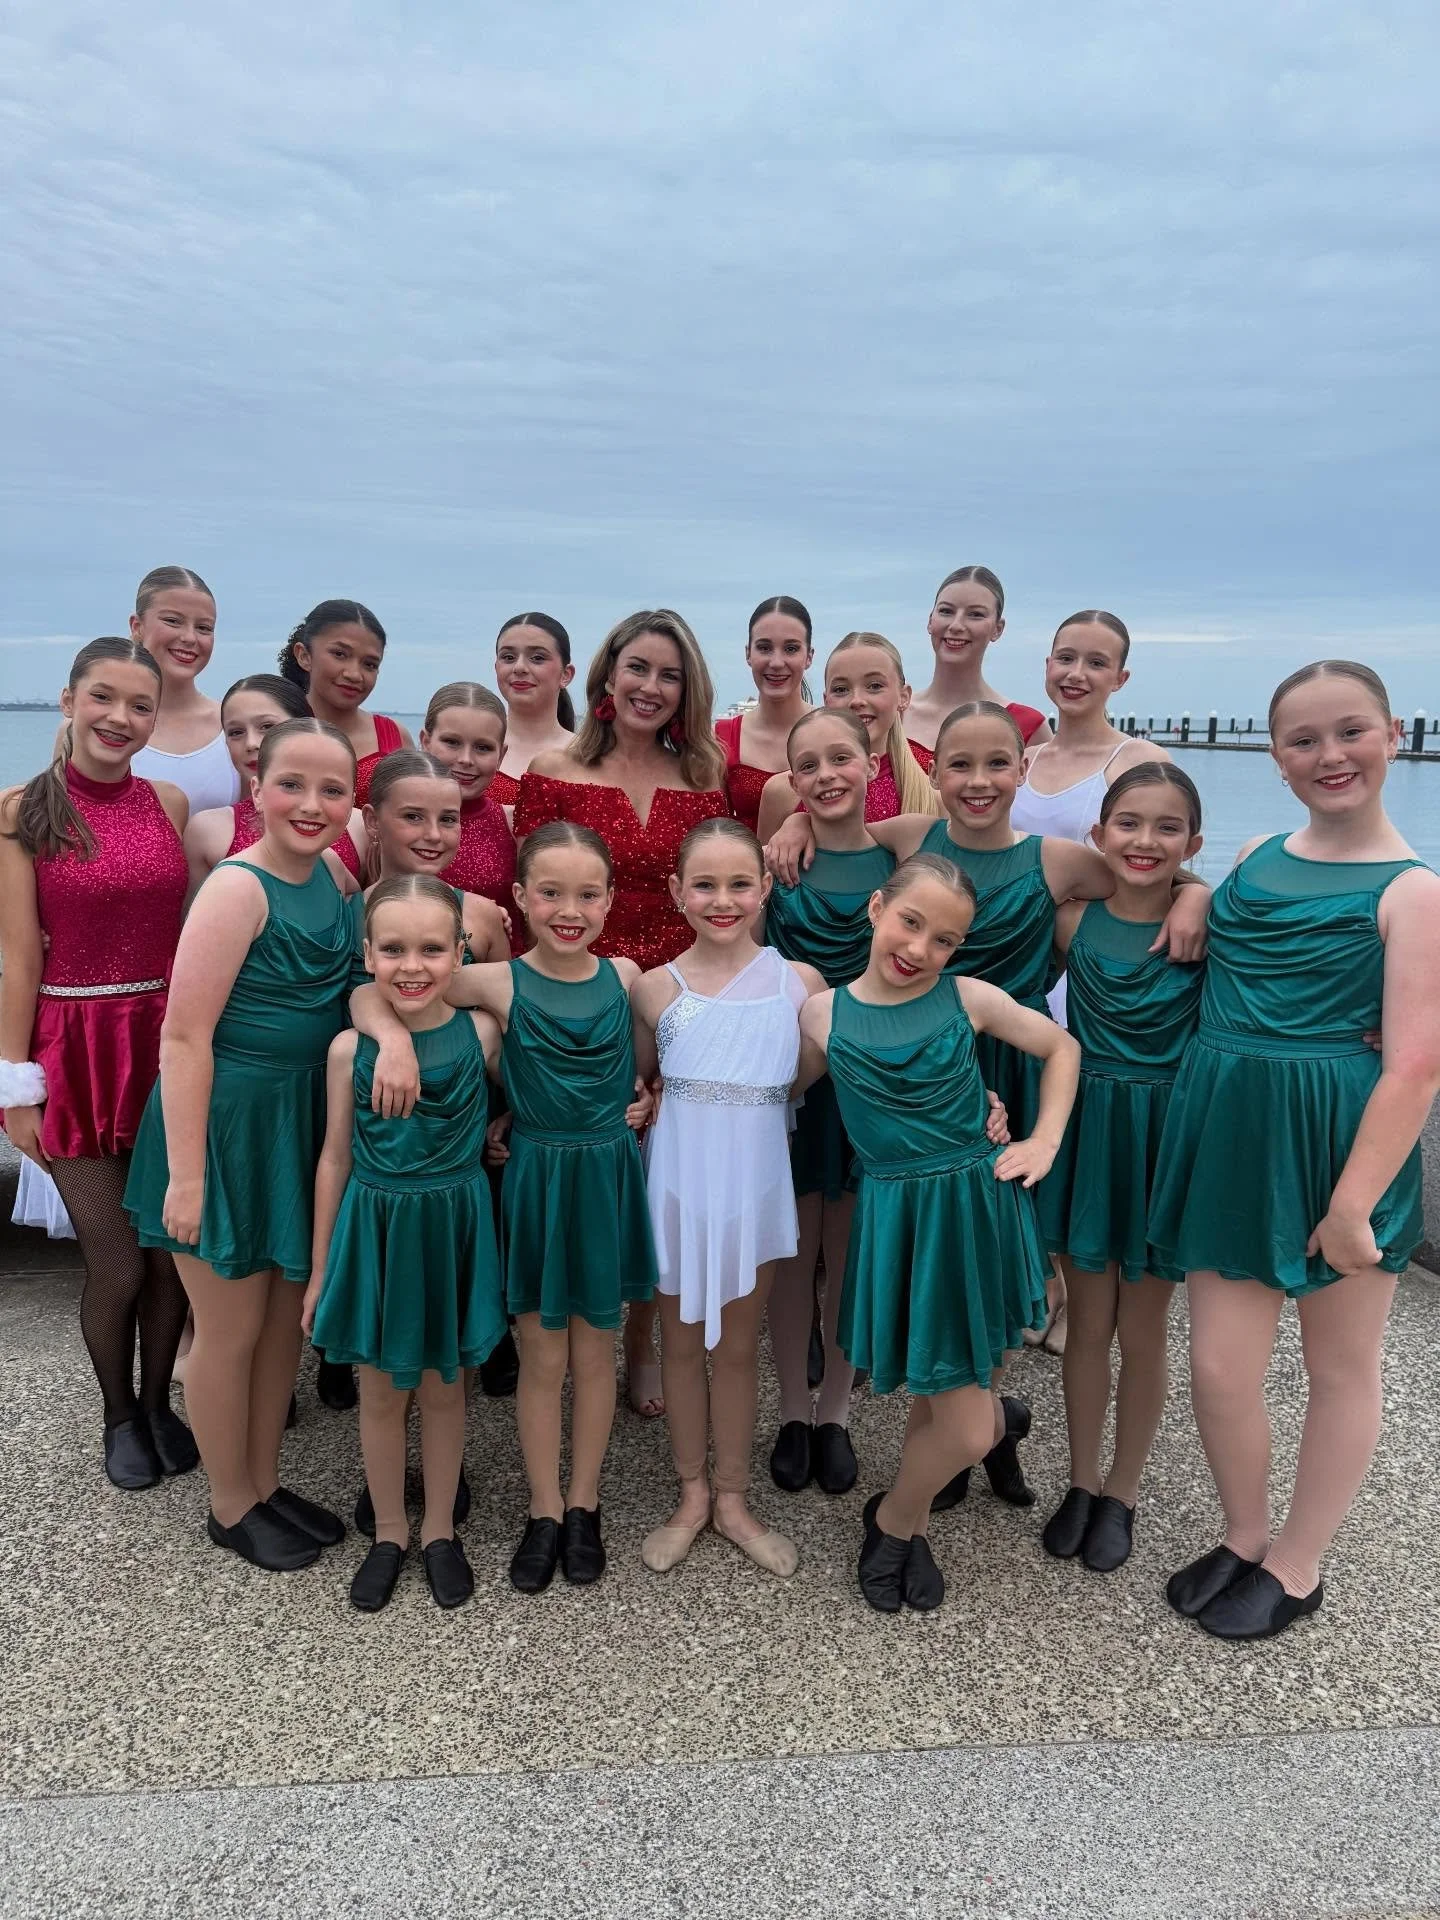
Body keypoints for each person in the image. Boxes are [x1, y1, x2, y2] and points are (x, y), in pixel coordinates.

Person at [1150, 661, 1440, 1641]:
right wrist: (1193, 892)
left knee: (1341, 1366)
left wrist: (1353, 1203)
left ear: (1394, 735)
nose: (1331, 756)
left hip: (1340, 1148)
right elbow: (1221, 932)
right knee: (1222, 1370)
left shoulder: (1414, 892)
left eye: (1351, 732)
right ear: (1274, 759)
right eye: (1304, 740)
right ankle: (1242, 1533)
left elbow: (1414, 1067)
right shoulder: (1260, 850)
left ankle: (1300, 1560)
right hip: (1234, 1134)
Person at [362, 823, 657, 1591]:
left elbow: (667, 1052)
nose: (569, 909)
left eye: (587, 894)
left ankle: (586, 1503)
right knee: (543, 1357)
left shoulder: (627, 975)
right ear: (520, 898)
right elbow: (383, 987)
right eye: (550, 893)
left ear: (610, 900)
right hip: (535, 1177)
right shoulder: (496, 982)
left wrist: (647, 1097)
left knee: (598, 1354)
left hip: (606, 1177)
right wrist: (390, 1039)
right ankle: (544, 1506)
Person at [795, 855, 1079, 1612]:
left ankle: (892, 1520)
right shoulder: (820, 1013)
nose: (920, 949)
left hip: (975, 1202)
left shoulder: (970, 998)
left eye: (944, 939)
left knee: (956, 1413)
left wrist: (1042, 1141)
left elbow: (1061, 1048)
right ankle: (994, 1432)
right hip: (898, 1210)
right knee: (948, 1393)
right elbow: (782, 1091)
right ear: (877, 907)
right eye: (910, 922)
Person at [124, 718, 358, 1573]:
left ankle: (262, 1481)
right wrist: (186, 1176)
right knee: (226, 1331)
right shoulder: (236, 888)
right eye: (292, 783)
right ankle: (229, 1505)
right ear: (255, 785)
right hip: (225, 1129)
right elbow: (184, 1040)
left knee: (280, 1331)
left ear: (351, 802)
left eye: (332, 789)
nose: (311, 803)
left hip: (300, 1125)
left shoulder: (335, 874)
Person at [514, 609, 728, 1417]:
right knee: (576, 1166)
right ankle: (551, 1343)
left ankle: (637, 1345)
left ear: (687, 690)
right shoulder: (552, 767)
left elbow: (732, 884)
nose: (650, 686)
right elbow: (527, 898)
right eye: (636, 668)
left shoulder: (705, 778)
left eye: (669, 674)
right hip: (580, 998)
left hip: (678, 995)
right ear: (606, 675)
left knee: (659, 1177)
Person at [0, 637, 194, 1488]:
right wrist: (16, 1086)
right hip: (72, 1048)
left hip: (162, 1045)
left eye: (140, 705)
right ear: (69, 698)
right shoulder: (20, 812)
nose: (121, 718)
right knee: (114, 1258)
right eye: (104, 698)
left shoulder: (171, 803)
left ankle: (161, 1405)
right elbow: (16, 960)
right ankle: (118, 1415)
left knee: (168, 1257)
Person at [304, 876, 508, 1613]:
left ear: (461, 952)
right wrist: (324, 1268)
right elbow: (334, 1157)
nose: (412, 966)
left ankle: (442, 1530)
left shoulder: (483, 1032)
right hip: (378, 1225)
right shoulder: (345, 1049)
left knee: (446, 1388)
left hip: (452, 1223)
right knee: (382, 1393)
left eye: (432, 948)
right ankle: (389, 1531)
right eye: (392, 949)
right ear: (367, 954)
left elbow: (533, 1082)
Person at [631, 819, 825, 1578]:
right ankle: (690, 1494)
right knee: (680, 1343)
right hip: (679, 1182)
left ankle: (736, 1500)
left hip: (753, 1183)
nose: (722, 899)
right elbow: (645, 1080)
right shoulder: (655, 988)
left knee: (740, 1348)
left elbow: (812, 1069)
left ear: (765, 887)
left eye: (739, 883)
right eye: (703, 884)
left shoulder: (798, 984)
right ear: (676, 892)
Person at [1036, 765, 1206, 1572]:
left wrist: (1200, 893)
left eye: (1167, 828)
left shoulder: (1206, 927)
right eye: (1129, 824)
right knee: (1087, 1329)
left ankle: (1123, 1492)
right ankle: (1079, 1478)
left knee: (1143, 1332)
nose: (1146, 841)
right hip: (1089, 1129)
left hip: (1162, 1137)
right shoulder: (1074, 922)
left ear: (1192, 844)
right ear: (1098, 837)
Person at [761, 709, 894, 1497]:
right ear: (793, 780)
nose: (827, 775)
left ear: (873, 760)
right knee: (790, 1250)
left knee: (846, 1252)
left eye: (841, 757)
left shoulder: (903, 855)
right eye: (807, 766)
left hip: (874, 1083)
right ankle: (789, 1410)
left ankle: (836, 1411)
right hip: (796, 1075)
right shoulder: (780, 863)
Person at [184, 675, 364, 896]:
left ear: (306, 725)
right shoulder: (208, 829)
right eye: (236, 732)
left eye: (267, 726)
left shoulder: (356, 825)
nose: (251, 743)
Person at [756, 631, 939, 843]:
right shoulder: (782, 793)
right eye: (841, 689)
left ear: (904, 696)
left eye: (874, 686)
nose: (857, 700)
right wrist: (800, 821)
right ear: (826, 701)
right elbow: (764, 872)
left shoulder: (932, 793)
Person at [1010, 611, 1167, 844]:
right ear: (1048, 665)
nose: (1076, 674)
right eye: (1066, 658)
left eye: (1096, 663)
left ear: (1120, 679)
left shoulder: (1140, 761)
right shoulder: (1025, 760)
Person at [358, 750, 510, 965]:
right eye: (413, 817)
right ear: (373, 821)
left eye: (447, 819)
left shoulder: (483, 916)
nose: (434, 835)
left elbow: (500, 997)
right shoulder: (344, 914)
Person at [904, 567, 1052, 769]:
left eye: (975, 614)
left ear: (997, 629)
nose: (956, 625)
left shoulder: (1027, 726)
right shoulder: (894, 714)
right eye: (946, 611)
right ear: (931, 621)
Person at [277, 600, 412, 806]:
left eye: (369, 664)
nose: (354, 674)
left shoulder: (395, 737)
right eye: (339, 654)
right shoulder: (273, 727)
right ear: (304, 656)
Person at [128, 566, 239, 812]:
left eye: (204, 628)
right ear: (137, 627)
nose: (189, 638)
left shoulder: (233, 727)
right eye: (173, 621)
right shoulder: (91, 726)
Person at [417, 683, 518, 934]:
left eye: (483, 747)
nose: (466, 759)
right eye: (452, 742)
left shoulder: (513, 823)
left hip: (496, 967)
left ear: (501, 755)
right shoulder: (395, 817)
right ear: (425, 742)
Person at [714, 597, 815, 833]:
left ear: (809, 656)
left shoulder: (836, 731)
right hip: (744, 868)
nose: (776, 662)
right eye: (764, 648)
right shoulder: (720, 738)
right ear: (748, 654)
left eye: (791, 648)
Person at [491, 613, 576, 811]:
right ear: (496, 668)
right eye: (508, 657)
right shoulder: (471, 747)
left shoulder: (589, 753)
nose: (519, 667)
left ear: (566, 674)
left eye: (537, 658)